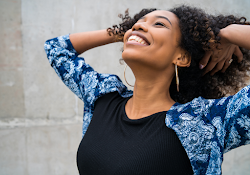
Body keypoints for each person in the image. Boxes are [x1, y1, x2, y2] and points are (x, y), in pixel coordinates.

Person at [44, 5, 250, 175]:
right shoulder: (103, 96)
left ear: (182, 57)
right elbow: (56, 49)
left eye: (159, 24)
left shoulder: (207, 121)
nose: (139, 27)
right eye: (137, 23)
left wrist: (226, 33)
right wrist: (124, 32)